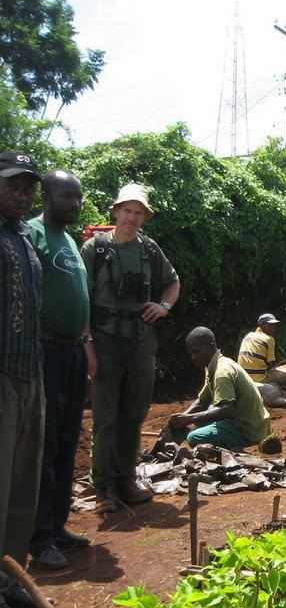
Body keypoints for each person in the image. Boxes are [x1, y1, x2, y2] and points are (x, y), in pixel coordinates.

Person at [81, 184, 180, 513]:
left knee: (134, 414)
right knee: (106, 417)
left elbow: (173, 282)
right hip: (105, 342)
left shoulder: (149, 249)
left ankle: (126, 479)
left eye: (139, 212)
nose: (132, 217)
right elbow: (82, 301)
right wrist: (88, 346)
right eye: (128, 210)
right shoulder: (95, 249)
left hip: (140, 342)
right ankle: (104, 487)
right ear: (116, 211)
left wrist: (163, 306)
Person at [26, 171, 94, 570]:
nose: (75, 203)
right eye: (67, 196)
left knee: (69, 441)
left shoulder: (69, 241)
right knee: (46, 445)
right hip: (45, 349)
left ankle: (58, 525)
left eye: (78, 198)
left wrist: (85, 349)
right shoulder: (32, 235)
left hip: (72, 352)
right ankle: (40, 536)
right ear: (47, 197)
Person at [0, 150, 48, 608]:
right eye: (13, 184)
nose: (22, 193)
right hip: (1, 373)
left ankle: (11, 582)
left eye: (28, 186)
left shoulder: (22, 239)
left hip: (29, 371)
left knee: (22, 485)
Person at [167, 327, 275, 450]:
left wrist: (190, 418)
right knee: (203, 412)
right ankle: (221, 436)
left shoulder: (222, 372)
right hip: (243, 418)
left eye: (197, 352)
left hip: (249, 429)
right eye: (191, 353)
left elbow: (225, 410)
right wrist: (183, 417)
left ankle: (234, 448)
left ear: (211, 346)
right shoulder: (214, 366)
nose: (193, 357)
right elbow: (202, 400)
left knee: (194, 438)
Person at [237, 312, 286, 394]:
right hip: (261, 380)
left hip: (244, 379)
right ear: (261, 325)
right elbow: (271, 366)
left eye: (274, 326)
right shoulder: (269, 339)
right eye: (270, 325)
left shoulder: (248, 336)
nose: (273, 328)